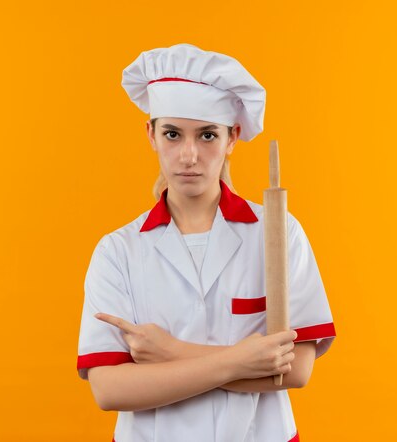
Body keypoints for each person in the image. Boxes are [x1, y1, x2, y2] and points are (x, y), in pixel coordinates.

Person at [76, 43, 336, 442]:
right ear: (151, 134)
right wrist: (247, 360)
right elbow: (110, 389)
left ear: (233, 137)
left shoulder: (278, 232)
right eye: (173, 134)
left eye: (208, 135)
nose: (189, 155)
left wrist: (167, 352)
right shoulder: (118, 252)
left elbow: (296, 371)